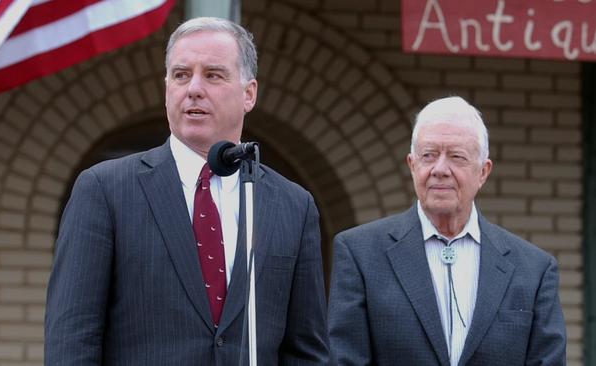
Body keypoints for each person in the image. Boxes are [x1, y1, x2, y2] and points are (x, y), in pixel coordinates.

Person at [45, 17, 329, 365]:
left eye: (213, 74)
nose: (193, 88)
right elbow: (72, 339)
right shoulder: (105, 190)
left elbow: (306, 351)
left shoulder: (292, 206)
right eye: (181, 75)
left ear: (249, 94)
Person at [328, 96, 566, 366]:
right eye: (428, 155)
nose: (440, 169)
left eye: (456, 157)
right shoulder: (361, 254)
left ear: (483, 172)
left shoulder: (533, 270)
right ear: (412, 165)